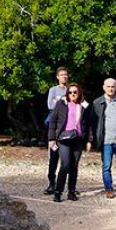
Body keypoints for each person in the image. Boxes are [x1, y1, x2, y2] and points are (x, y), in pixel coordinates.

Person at [48, 83, 93, 202]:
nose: (72, 94)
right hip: (63, 138)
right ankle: (58, 191)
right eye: (70, 92)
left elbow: (88, 124)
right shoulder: (62, 104)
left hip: (78, 138)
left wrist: (89, 140)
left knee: (74, 166)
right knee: (65, 164)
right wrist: (51, 138)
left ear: (79, 94)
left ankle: (71, 191)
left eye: (75, 92)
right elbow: (53, 121)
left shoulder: (84, 106)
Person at [44, 66, 69, 196]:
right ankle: (51, 183)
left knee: (67, 159)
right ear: (57, 77)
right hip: (55, 127)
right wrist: (62, 103)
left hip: (67, 128)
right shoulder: (53, 90)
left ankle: (67, 185)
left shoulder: (70, 90)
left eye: (66, 74)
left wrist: (58, 102)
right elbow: (50, 105)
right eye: (62, 75)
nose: (64, 76)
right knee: (53, 157)